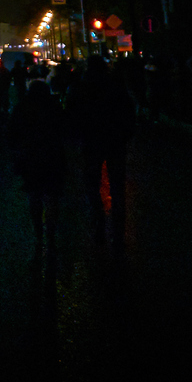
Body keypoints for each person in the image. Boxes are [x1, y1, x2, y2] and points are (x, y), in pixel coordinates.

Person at [68, 55, 135, 250]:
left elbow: (72, 115)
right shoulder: (116, 87)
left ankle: (98, 220)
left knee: (91, 184)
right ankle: (118, 228)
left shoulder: (80, 87)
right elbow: (128, 113)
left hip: (91, 142)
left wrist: (77, 136)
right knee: (117, 185)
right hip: (115, 141)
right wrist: (125, 135)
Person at [10, 78, 65, 256]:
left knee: (34, 195)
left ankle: (37, 232)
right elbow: (64, 130)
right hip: (52, 156)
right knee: (51, 196)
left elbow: (11, 133)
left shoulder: (22, 107)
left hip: (30, 157)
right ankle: (50, 233)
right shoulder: (54, 107)